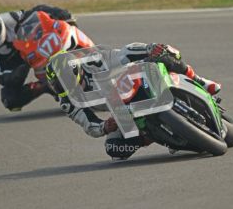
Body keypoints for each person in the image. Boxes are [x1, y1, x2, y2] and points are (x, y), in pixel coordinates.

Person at [46, 42, 221, 159]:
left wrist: (149, 49)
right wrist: (105, 126)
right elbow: (88, 125)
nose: (68, 88)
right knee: (114, 149)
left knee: (164, 53)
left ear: (77, 69)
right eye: (60, 86)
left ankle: (199, 81)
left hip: (134, 80)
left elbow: (125, 53)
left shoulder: (95, 61)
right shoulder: (67, 101)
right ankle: (160, 137)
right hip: (122, 111)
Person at [0, 5, 75, 111]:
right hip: (16, 65)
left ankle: (78, 52)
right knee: (10, 100)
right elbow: (2, 77)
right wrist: (16, 73)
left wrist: (58, 13)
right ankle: (46, 86)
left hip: (29, 44)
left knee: (59, 26)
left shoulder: (9, 18)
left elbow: (34, 12)